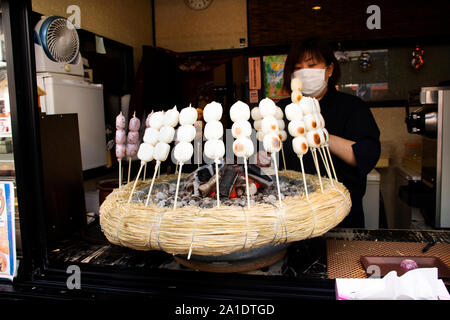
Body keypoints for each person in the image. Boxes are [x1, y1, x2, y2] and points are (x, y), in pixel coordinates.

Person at [277, 37, 381, 228]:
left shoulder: (352, 107)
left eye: (312, 65)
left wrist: (320, 135)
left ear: (329, 69)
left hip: (341, 216)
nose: (304, 73)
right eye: (298, 67)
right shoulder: (281, 110)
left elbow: (365, 155)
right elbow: (262, 156)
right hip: (293, 218)